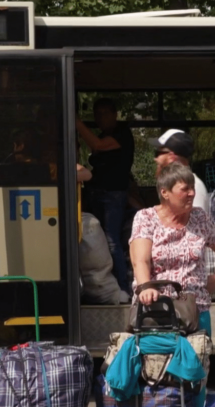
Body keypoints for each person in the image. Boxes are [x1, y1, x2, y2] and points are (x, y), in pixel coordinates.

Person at [129, 162, 215, 407]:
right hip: (156, 314)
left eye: (191, 189)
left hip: (195, 312)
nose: (191, 194)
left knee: (195, 380)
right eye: (184, 189)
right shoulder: (146, 217)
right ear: (165, 192)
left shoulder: (199, 217)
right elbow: (140, 260)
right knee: (155, 379)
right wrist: (146, 287)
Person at [76, 98, 135, 295]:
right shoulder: (105, 134)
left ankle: (122, 288)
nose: (100, 118)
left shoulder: (122, 134)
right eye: (96, 114)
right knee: (95, 241)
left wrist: (75, 122)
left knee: (111, 240)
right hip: (96, 192)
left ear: (114, 114)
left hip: (112, 195)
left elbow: (98, 145)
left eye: (104, 113)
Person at [148, 129, 210, 214]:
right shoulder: (173, 184)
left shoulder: (195, 187)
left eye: (158, 153)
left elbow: (197, 225)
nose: (155, 159)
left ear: (171, 157)